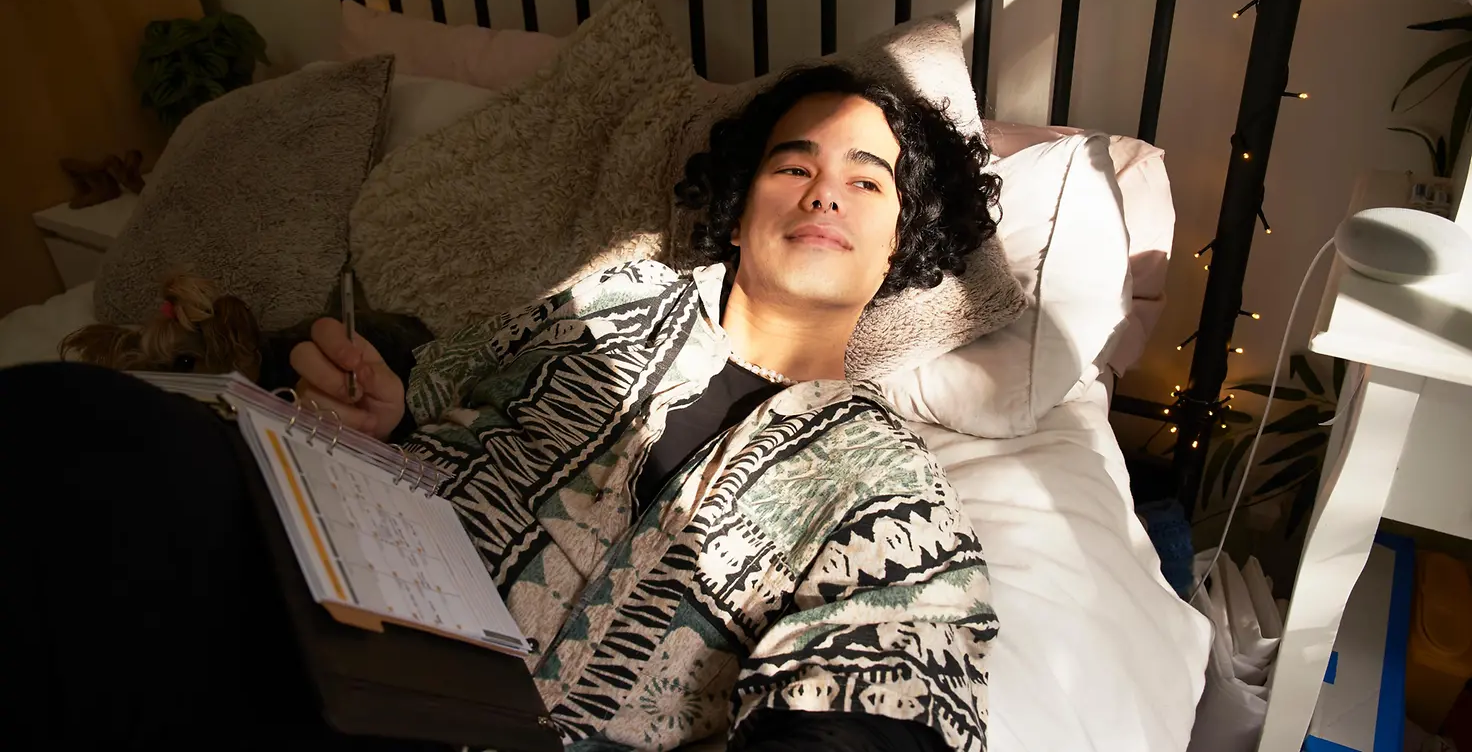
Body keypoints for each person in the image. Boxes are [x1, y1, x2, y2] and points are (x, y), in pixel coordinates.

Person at [2, 65, 1001, 751]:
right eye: (793, 165)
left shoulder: (885, 489)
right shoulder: (608, 298)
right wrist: (386, 405)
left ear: (897, 247)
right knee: (72, 420)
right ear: (740, 209)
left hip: (463, 726)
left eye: (865, 182)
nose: (824, 193)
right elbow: (438, 379)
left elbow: (881, 702)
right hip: (305, 601)